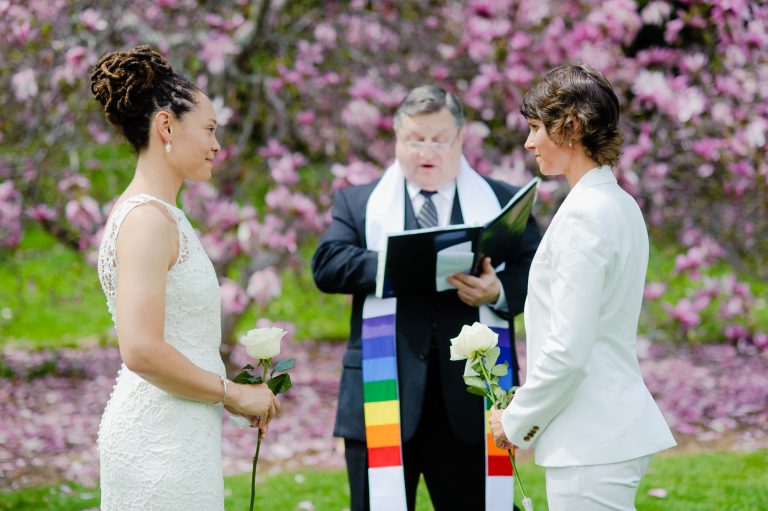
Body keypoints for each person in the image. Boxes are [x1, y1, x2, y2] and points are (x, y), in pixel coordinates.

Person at [312, 85, 540, 511]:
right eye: (415, 139)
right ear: (397, 138)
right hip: (383, 396)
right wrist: (395, 263)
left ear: (460, 138)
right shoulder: (360, 203)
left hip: (469, 402)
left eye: (439, 139)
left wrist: (498, 290)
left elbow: (538, 270)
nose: (426, 151)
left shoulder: (501, 200)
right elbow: (326, 264)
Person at [90, 45, 280, 510]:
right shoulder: (147, 221)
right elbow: (141, 349)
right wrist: (233, 392)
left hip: (182, 431)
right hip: (157, 444)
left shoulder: (165, 215)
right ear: (166, 126)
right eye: (210, 129)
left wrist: (229, 397)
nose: (217, 146)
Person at [489, 64, 676, 511]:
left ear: (571, 126)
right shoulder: (619, 203)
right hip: (605, 431)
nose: (528, 142)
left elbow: (568, 349)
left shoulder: (585, 215)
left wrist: (515, 420)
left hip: (591, 439)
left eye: (536, 127)